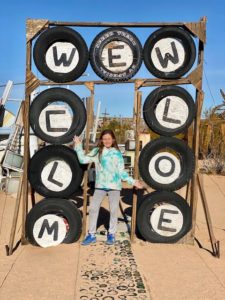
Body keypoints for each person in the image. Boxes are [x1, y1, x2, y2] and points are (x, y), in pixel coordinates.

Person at [73, 129, 143, 246]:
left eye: (109, 139)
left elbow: (122, 172)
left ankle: (111, 234)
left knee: (114, 210)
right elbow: (83, 159)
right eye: (104, 139)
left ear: (113, 139)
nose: (107, 141)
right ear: (101, 140)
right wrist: (78, 145)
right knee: (94, 208)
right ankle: (91, 235)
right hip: (100, 186)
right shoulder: (97, 151)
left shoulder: (117, 153)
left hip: (114, 186)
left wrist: (133, 181)